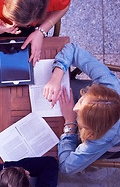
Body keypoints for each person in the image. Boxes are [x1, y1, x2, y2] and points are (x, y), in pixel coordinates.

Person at [43, 43, 120, 174]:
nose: (74, 109)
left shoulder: (102, 138)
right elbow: (72, 49)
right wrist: (56, 76)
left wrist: (70, 124)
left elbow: (67, 168)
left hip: (108, 143)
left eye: (81, 116)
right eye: (82, 99)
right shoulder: (109, 83)